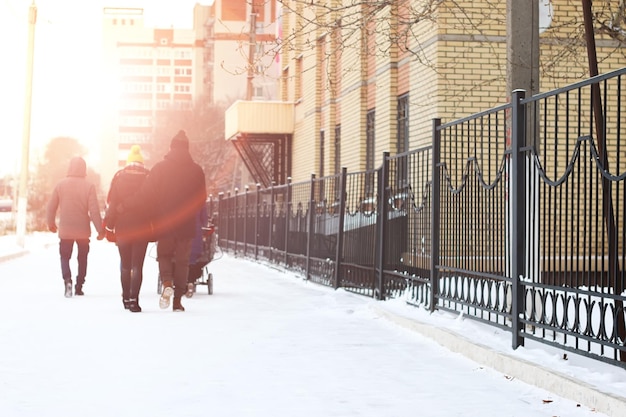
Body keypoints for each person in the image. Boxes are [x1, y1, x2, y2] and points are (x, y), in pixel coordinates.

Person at [119, 130, 206, 312]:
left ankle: (167, 282)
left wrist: (126, 204)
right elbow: (201, 198)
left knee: (164, 255)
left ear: (171, 147)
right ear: (187, 149)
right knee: (183, 262)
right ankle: (177, 301)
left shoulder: (159, 168)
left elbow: (146, 194)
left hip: (165, 222)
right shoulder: (197, 171)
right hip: (187, 224)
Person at [47, 156, 105, 297]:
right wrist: (100, 230)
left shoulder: (60, 185)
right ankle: (79, 285)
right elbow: (94, 210)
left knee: (65, 257)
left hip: (66, 230)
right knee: (82, 258)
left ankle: (67, 280)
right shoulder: (89, 186)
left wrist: (51, 224)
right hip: (82, 231)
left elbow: (51, 207)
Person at [103, 145, 152, 312]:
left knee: (125, 264)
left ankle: (125, 298)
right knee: (137, 265)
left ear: (128, 162)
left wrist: (109, 227)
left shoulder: (119, 178)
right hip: (142, 227)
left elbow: (112, 204)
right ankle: (134, 300)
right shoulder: (148, 178)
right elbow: (154, 203)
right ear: (141, 162)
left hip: (123, 228)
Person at [186, 203, 209, 298]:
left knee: (181, 260)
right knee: (193, 260)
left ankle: (182, 283)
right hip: (196, 235)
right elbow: (204, 221)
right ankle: (191, 281)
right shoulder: (200, 202)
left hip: (181, 236)